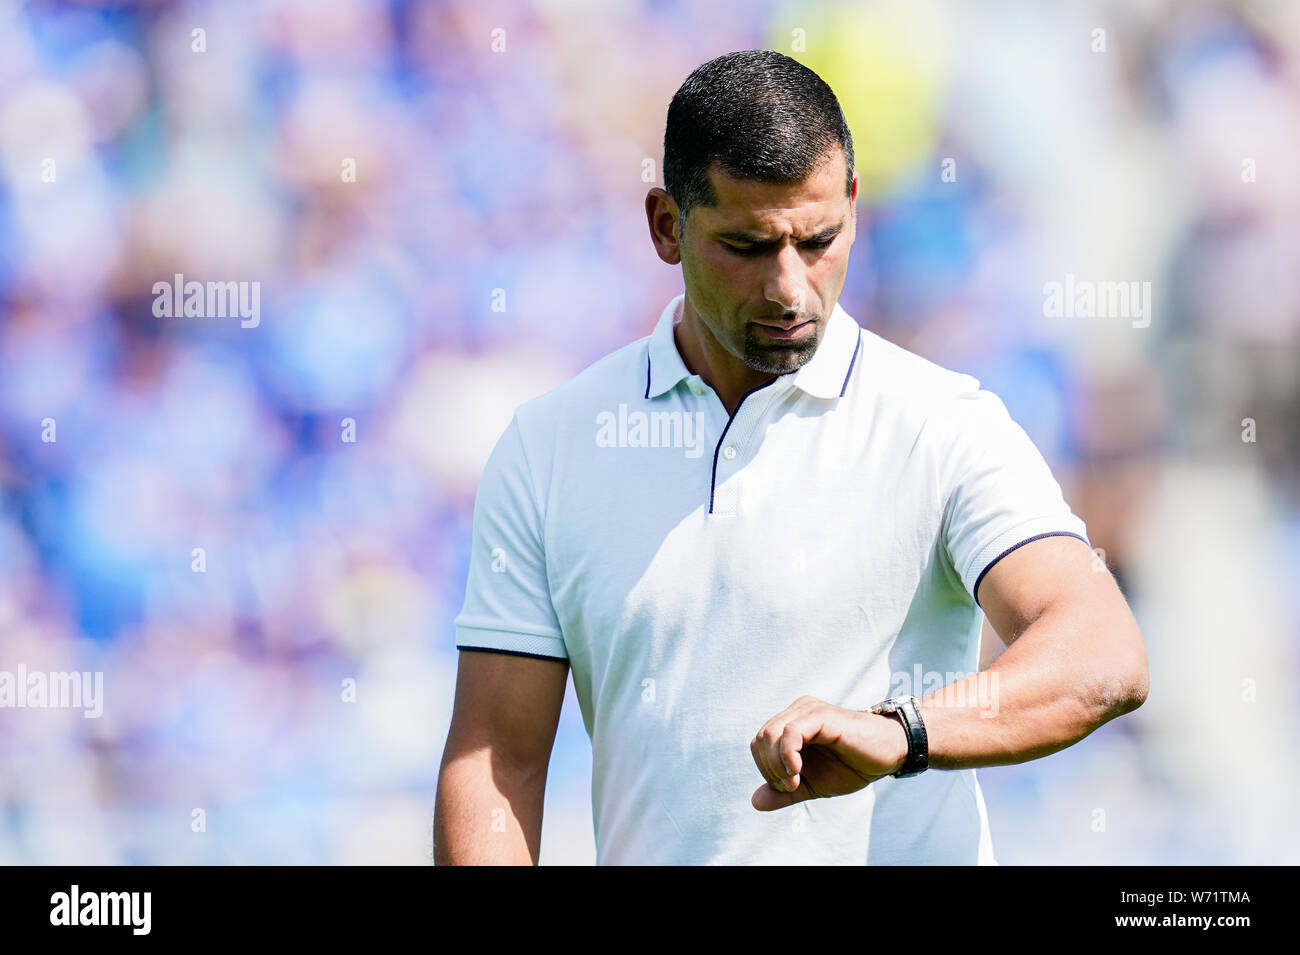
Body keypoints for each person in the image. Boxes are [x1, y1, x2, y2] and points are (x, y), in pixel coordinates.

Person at [434, 49, 1148, 865]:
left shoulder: (944, 425)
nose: (790, 289)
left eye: (818, 241)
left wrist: (905, 731)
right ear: (667, 225)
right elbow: (497, 761)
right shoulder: (549, 446)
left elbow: (1103, 652)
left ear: (852, 204)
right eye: (747, 245)